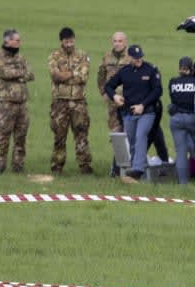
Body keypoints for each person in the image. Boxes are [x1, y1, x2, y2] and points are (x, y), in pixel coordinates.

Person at [103, 44, 162, 179]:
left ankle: (137, 169)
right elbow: (109, 86)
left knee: (141, 136)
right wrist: (115, 96)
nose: (138, 60)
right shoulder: (124, 72)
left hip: (147, 112)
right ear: (129, 57)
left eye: (140, 57)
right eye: (135, 58)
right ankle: (139, 173)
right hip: (129, 113)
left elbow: (158, 90)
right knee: (132, 141)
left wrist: (143, 105)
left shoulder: (151, 69)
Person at [47, 27, 93, 174]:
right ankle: (57, 166)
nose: (69, 44)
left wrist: (65, 75)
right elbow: (55, 76)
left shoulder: (82, 55)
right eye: (66, 41)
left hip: (78, 102)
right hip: (60, 103)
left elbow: (84, 77)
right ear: (61, 41)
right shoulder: (54, 56)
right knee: (59, 136)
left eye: (71, 41)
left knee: (81, 135)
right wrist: (74, 73)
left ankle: (85, 166)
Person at [0, 29, 35, 173]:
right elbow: (4, 73)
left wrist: (18, 74)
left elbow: (31, 74)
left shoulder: (21, 57)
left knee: (21, 137)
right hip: (6, 104)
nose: (19, 42)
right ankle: (0, 166)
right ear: (7, 41)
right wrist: (20, 74)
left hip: (22, 103)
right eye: (16, 40)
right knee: (3, 136)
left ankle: (18, 166)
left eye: (19, 40)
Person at [168, 56, 195, 184]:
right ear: (191, 68)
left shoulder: (173, 82)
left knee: (180, 152)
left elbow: (172, 100)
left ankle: (183, 183)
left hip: (176, 120)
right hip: (193, 119)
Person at [98, 32, 129, 176]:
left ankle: (126, 167)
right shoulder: (106, 57)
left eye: (120, 41)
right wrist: (104, 92)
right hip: (112, 104)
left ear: (125, 42)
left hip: (128, 102)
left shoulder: (131, 57)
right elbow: (101, 76)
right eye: (115, 41)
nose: (117, 43)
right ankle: (116, 168)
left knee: (128, 133)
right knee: (116, 134)